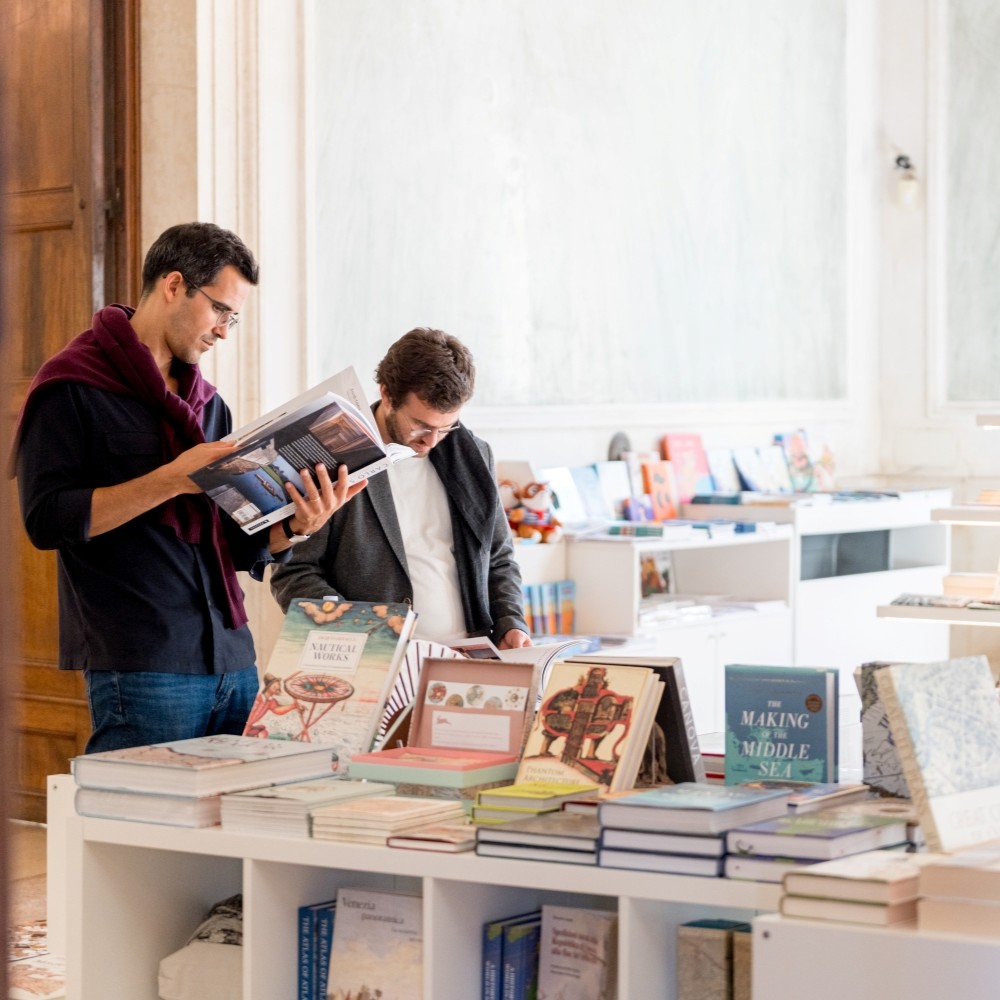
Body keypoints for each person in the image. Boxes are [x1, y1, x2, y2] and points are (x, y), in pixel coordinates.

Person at [14, 222, 366, 753]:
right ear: (174, 285)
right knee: (136, 809)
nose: (225, 331)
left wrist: (296, 525)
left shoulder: (210, 404)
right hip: (142, 660)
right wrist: (172, 479)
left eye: (233, 317)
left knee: (235, 808)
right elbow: (47, 521)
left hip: (233, 658)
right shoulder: (71, 386)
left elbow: (231, 537)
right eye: (220, 310)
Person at [270, 327, 531, 650]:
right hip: (371, 657)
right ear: (387, 395)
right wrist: (359, 636)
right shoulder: (327, 457)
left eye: (446, 428)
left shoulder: (474, 455)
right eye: (421, 426)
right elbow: (293, 571)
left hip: (468, 656)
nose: (432, 441)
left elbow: (499, 557)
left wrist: (510, 621)